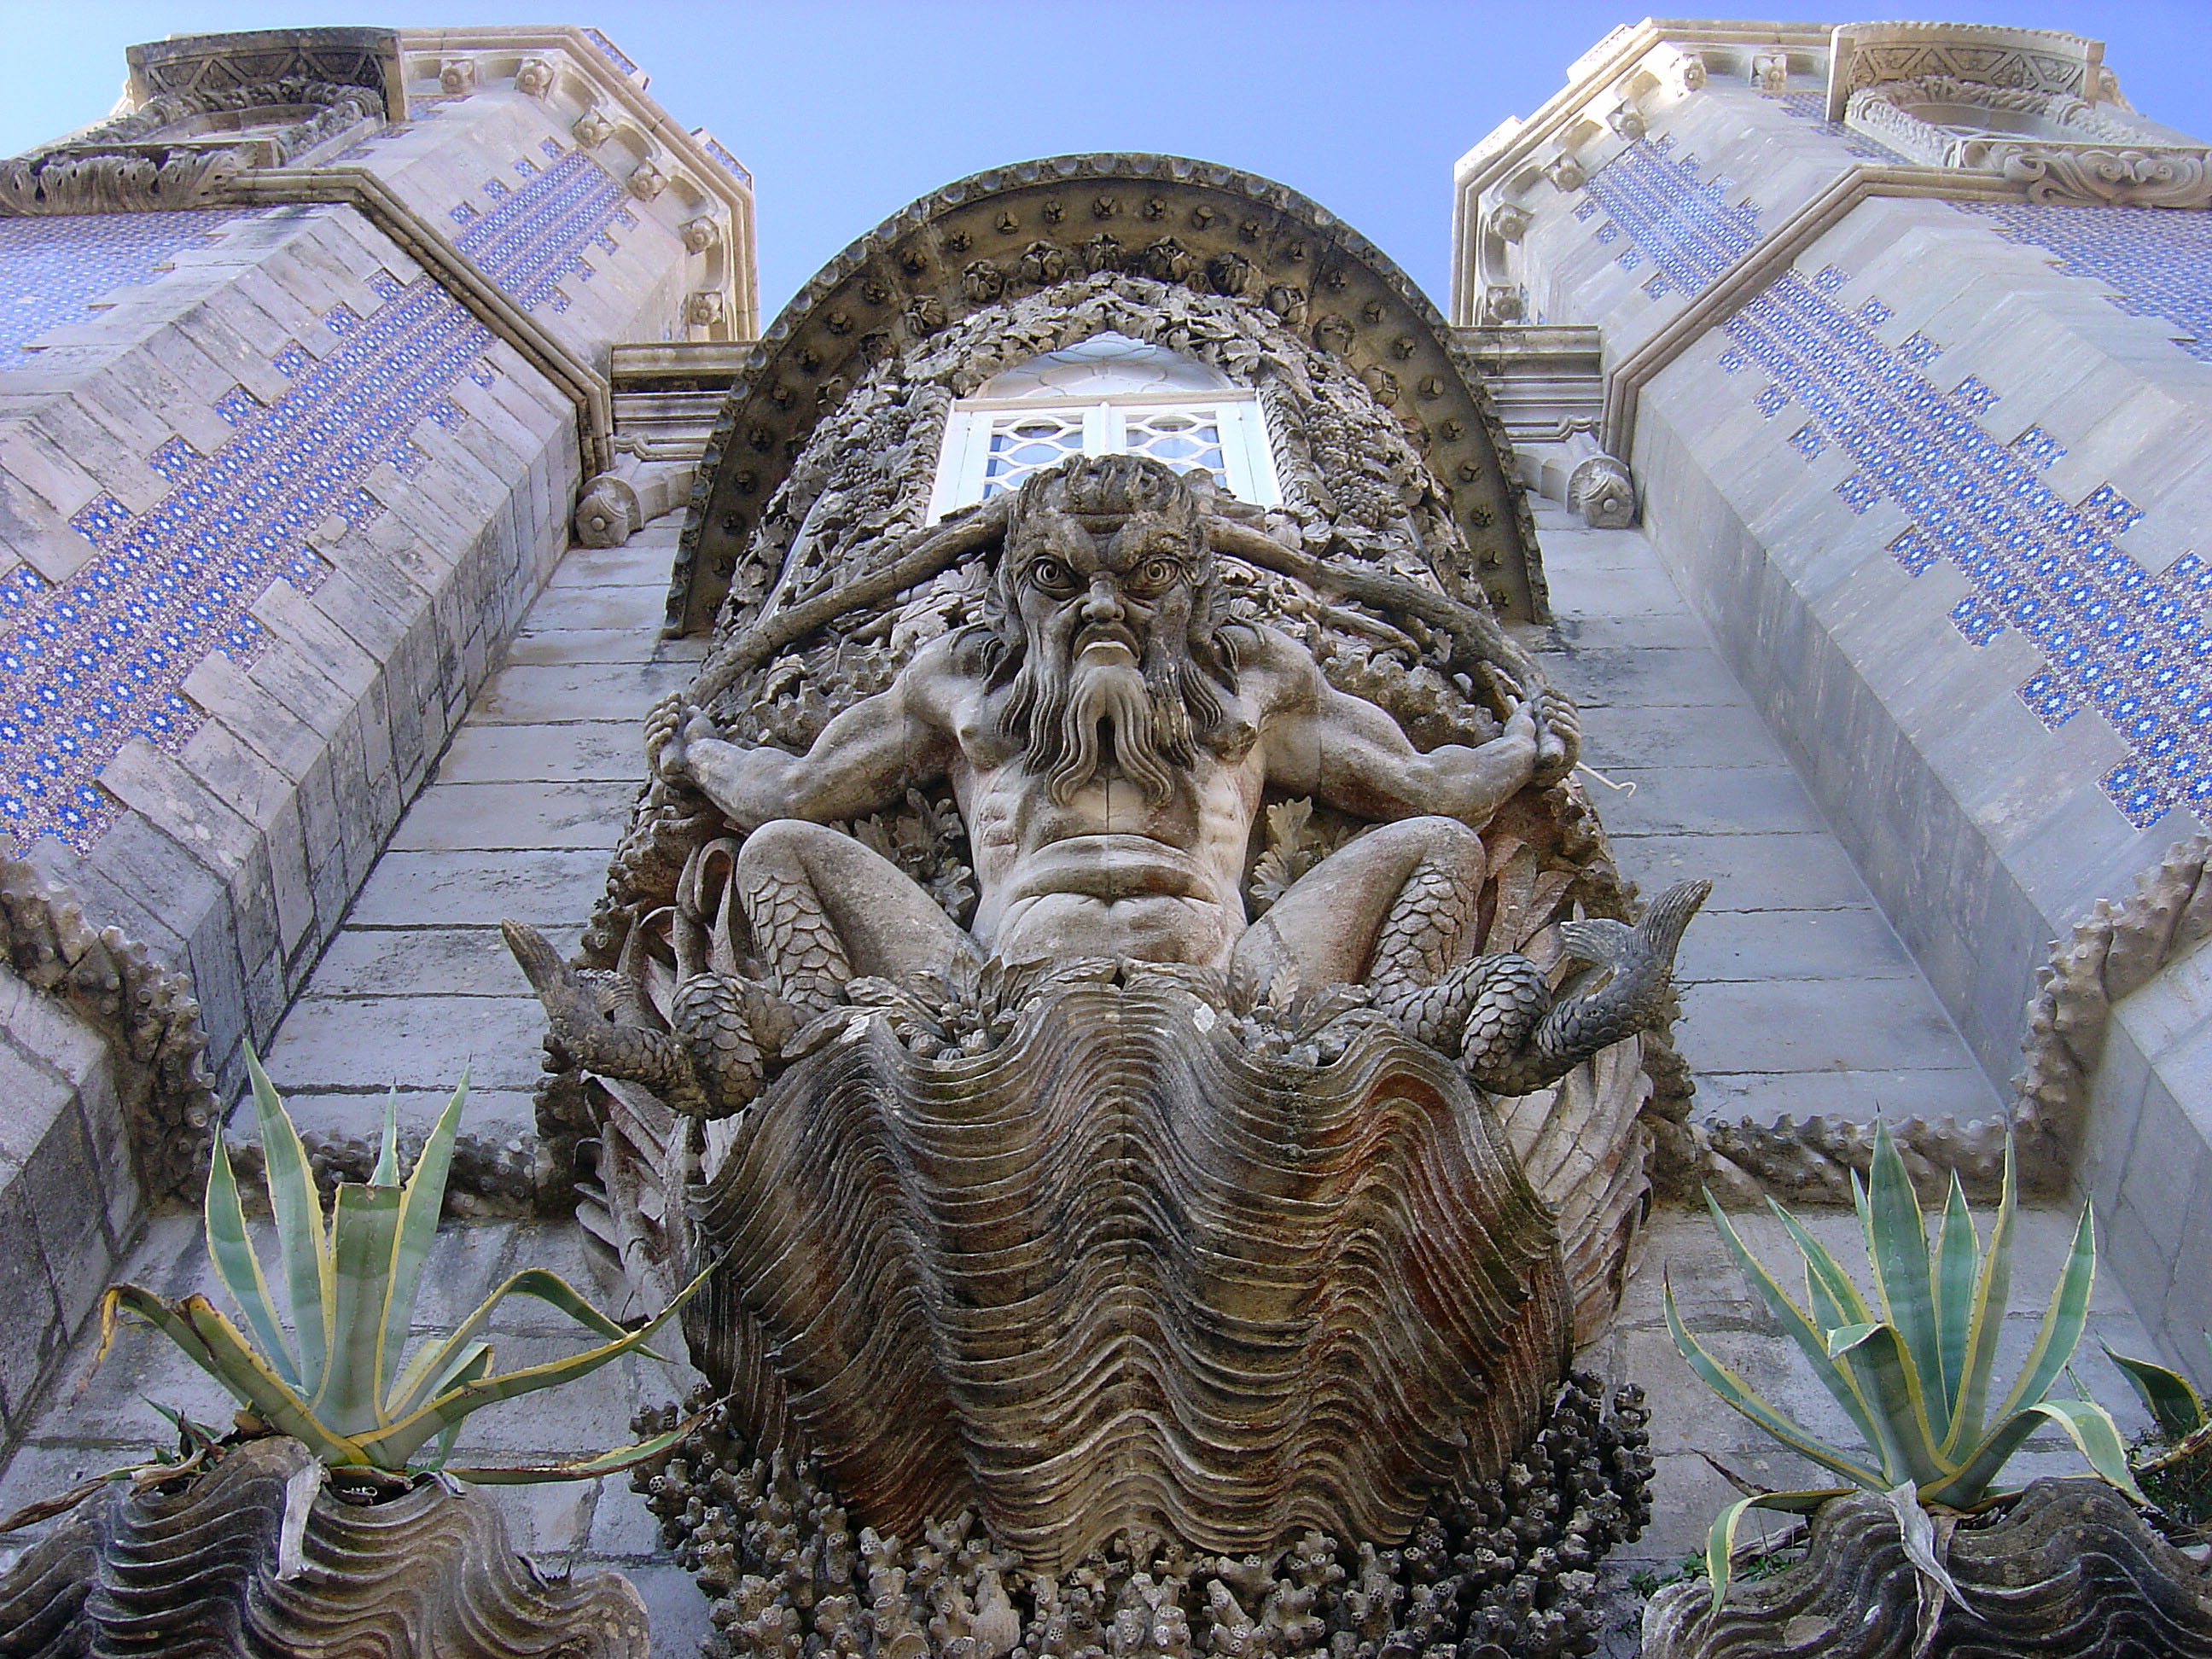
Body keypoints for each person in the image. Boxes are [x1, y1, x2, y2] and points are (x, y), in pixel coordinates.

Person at [649, 453, 1576, 1013]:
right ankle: (824, 1044)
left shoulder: (1253, 686)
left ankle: (1390, 1036)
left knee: (1443, 847)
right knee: (777, 850)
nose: (1104, 605)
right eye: (1060, 578)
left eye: (1149, 574)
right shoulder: (961, 691)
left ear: (1197, 586)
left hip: (1240, 977)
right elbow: (801, 791)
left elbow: (1419, 788)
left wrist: (1524, 747)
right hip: (984, 981)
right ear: (1013, 588)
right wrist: (697, 753)